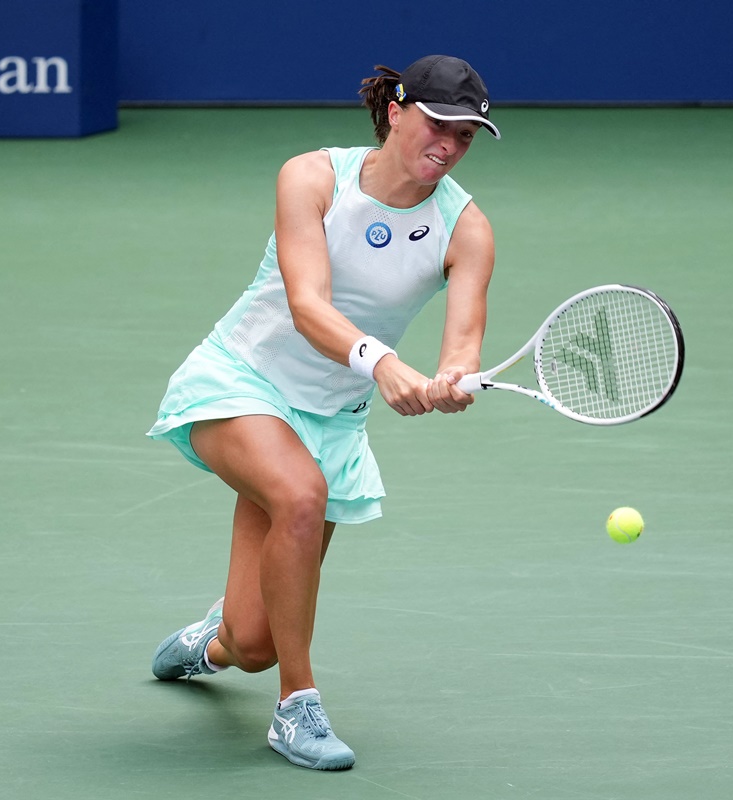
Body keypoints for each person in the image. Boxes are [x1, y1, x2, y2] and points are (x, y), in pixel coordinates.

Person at [145, 54, 500, 771]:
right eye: (440, 124)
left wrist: (453, 380)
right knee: (301, 493)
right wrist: (386, 365)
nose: (450, 145)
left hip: (329, 419)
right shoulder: (311, 177)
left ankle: (209, 641)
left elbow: (462, 346)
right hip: (242, 381)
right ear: (396, 111)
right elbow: (308, 305)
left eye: (466, 135)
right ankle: (296, 707)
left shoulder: (467, 230)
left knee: (252, 643)